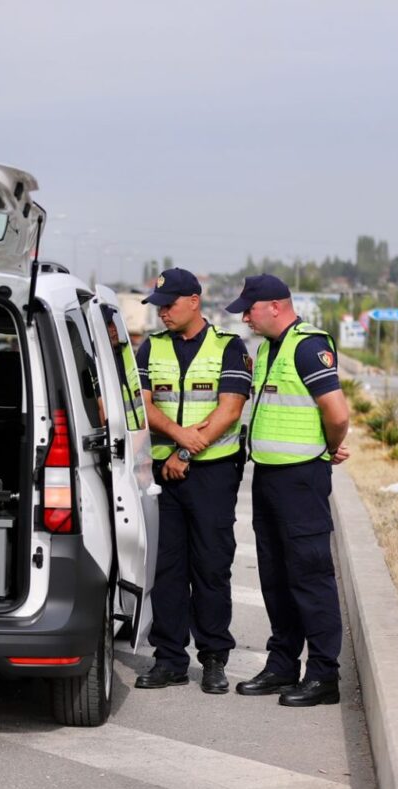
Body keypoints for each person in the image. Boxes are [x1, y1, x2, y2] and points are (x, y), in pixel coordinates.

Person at [225, 274, 351, 708]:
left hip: (302, 479)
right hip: (270, 478)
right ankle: (282, 665)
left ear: (275, 306)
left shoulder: (307, 345)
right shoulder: (266, 349)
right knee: (276, 577)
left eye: (250, 309)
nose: (245, 317)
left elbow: (336, 411)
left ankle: (323, 675)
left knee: (310, 576)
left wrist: (329, 448)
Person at [132, 268, 251, 693]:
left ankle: (214, 658)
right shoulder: (151, 349)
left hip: (212, 473)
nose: (162, 312)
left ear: (194, 301)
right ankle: (169, 659)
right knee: (167, 569)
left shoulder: (228, 348)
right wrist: (179, 440)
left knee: (211, 566)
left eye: (170, 304)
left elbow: (230, 409)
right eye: (159, 305)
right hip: (164, 473)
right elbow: (142, 407)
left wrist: (185, 450)